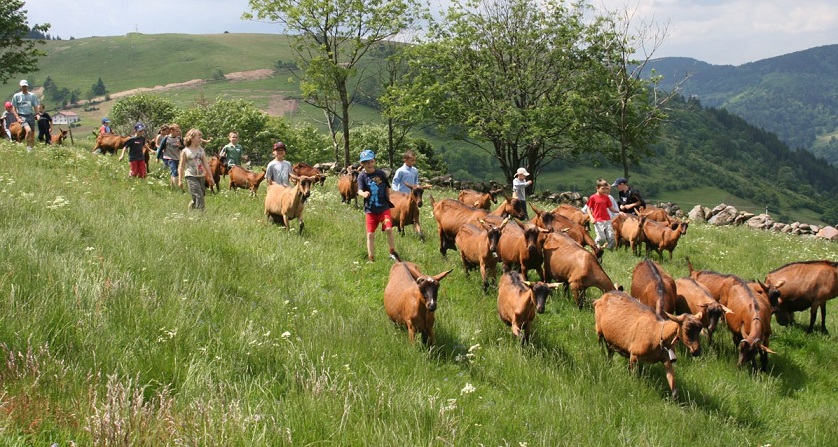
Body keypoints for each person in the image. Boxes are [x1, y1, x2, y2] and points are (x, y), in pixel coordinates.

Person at [357, 149, 398, 263]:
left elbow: (387, 187)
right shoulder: (361, 176)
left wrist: (388, 200)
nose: (369, 164)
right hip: (370, 210)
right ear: (362, 164)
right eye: (366, 163)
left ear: (374, 161)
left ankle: (392, 253)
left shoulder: (381, 174)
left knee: (389, 229)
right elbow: (359, 190)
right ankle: (371, 259)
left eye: (371, 161)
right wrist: (363, 194)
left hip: (384, 208)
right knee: (370, 234)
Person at [178, 128, 214, 211]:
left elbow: (205, 164)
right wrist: (180, 180)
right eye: (199, 137)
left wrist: (211, 177)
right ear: (192, 138)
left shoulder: (201, 150)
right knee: (199, 195)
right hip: (190, 176)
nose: (200, 139)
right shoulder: (185, 151)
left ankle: (191, 209)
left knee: (200, 195)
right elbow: (181, 166)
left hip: (201, 176)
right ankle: (201, 214)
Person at [586, 178, 623, 250]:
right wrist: (591, 218)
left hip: (607, 220)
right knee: (601, 238)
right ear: (597, 188)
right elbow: (588, 208)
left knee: (611, 237)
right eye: (603, 189)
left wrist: (619, 212)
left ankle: (609, 251)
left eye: (606, 189)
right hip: (598, 220)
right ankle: (594, 247)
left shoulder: (606, 198)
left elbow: (611, 208)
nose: (605, 190)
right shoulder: (593, 197)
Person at [11, 80, 40, 152]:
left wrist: (38, 114)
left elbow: (35, 106)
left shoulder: (32, 95)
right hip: (22, 116)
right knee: (29, 130)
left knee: (32, 134)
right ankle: (28, 147)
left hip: (30, 115)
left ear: (27, 86)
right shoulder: (16, 96)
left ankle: (31, 150)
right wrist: (17, 117)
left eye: (25, 86)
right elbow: (14, 108)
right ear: (20, 86)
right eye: (23, 86)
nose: (24, 88)